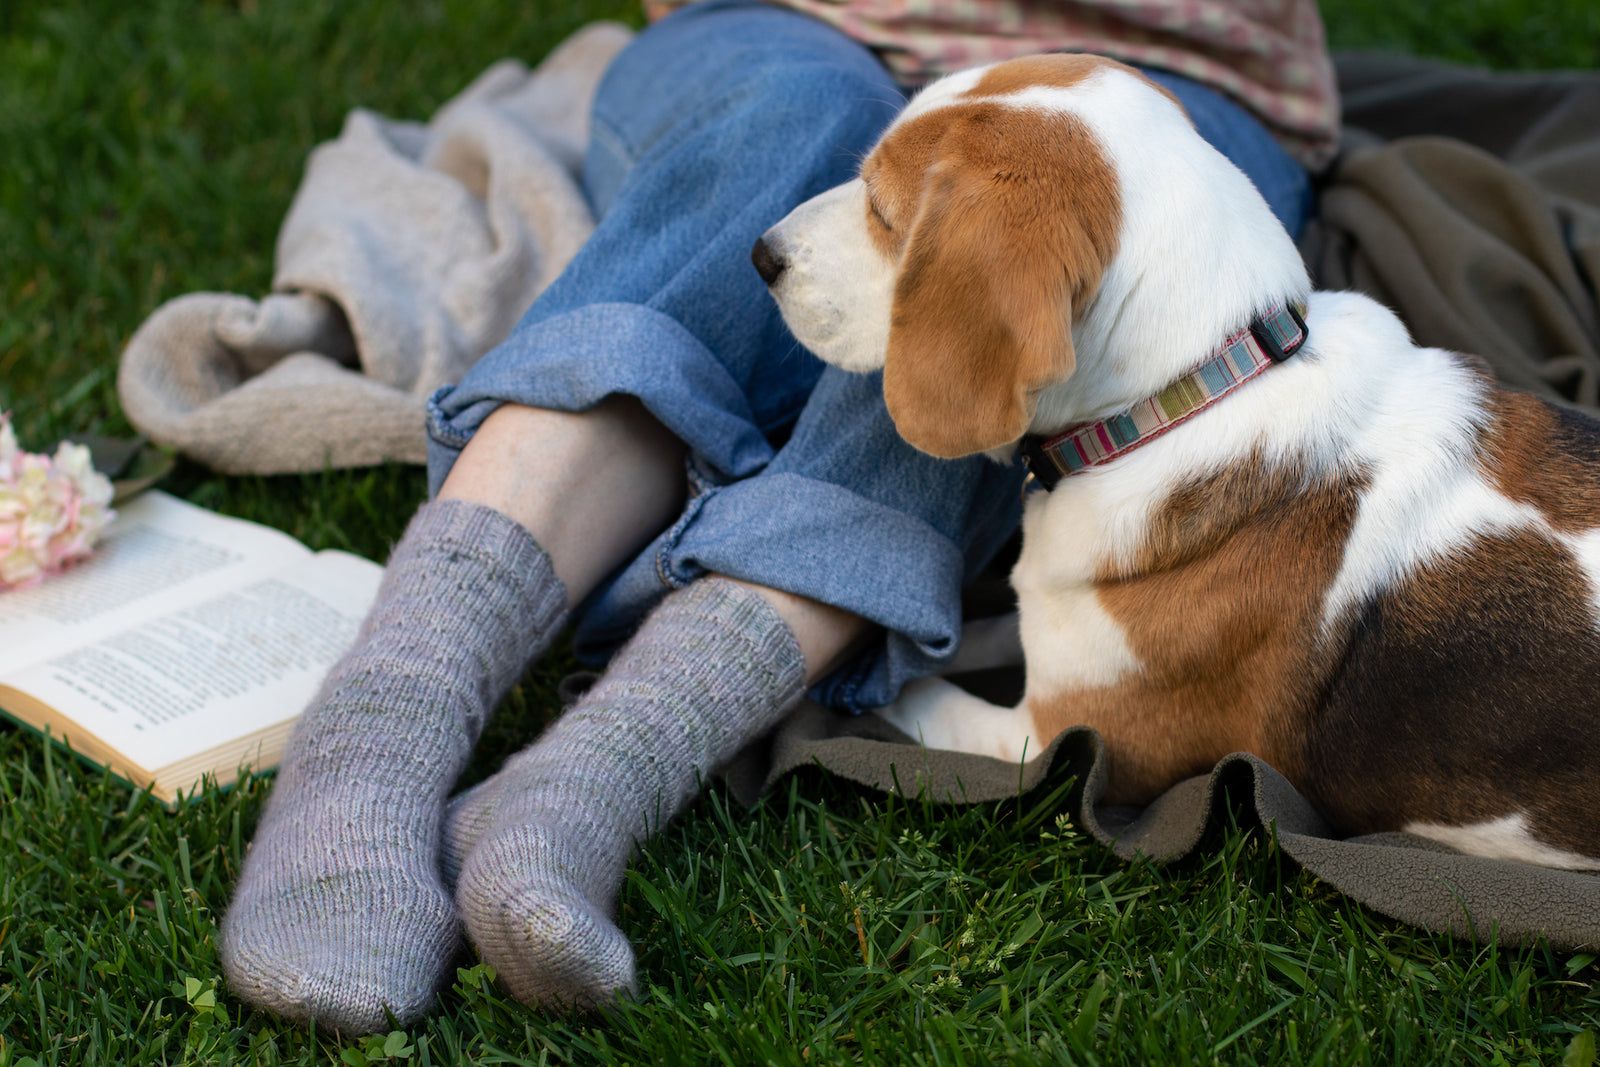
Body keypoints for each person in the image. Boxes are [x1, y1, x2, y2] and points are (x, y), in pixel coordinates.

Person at [217, 0, 1337, 1034]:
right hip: (794, 24)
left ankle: (586, 779)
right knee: (796, 116)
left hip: (1177, 76)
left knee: (1041, 293)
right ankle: (373, 742)